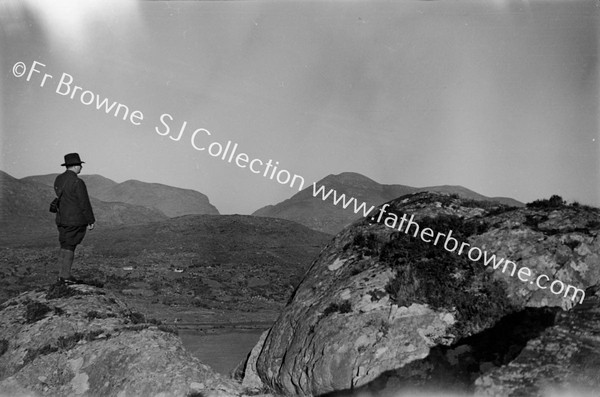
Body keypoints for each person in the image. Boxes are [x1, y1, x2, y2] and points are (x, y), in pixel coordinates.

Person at [53, 153, 95, 283]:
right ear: (76, 166)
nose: (81, 168)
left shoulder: (59, 179)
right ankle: (65, 276)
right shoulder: (77, 182)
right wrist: (90, 220)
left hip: (61, 219)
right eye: (80, 165)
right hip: (75, 220)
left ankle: (62, 274)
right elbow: (84, 202)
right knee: (71, 247)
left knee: (65, 245)